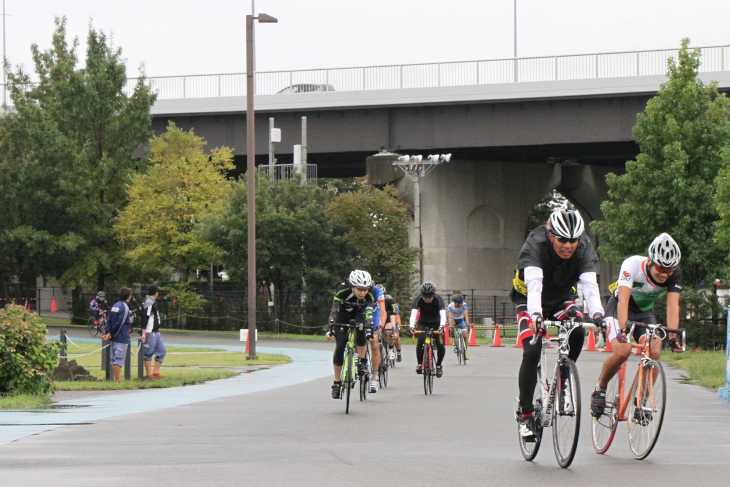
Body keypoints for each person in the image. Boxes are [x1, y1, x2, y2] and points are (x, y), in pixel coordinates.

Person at [511, 209, 605, 441]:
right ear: (550, 235)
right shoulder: (535, 242)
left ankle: (564, 378)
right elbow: (533, 284)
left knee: (578, 328)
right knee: (531, 351)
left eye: (573, 240)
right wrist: (535, 315)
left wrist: (598, 315)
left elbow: (590, 286)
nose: (568, 246)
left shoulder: (583, 246)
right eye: (562, 240)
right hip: (530, 299)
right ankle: (525, 414)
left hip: (562, 298)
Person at [591, 233, 684, 419]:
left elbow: (673, 305)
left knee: (655, 351)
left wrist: (674, 338)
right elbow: (623, 300)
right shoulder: (632, 265)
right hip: (619, 309)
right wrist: (623, 330)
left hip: (644, 313)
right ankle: (600, 388)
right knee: (622, 351)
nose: (664, 274)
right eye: (660, 267)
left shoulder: (675, 274)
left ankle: (640, 402)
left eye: (669, 270)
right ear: (650, 261)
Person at [326, 270, 378, 399]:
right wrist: (331, 328)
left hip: (360, 313)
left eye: (365, 289)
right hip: (343, 315)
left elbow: (369, 313)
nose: (363, 292)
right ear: (352, 287)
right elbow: (334, 310)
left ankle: (362, 362)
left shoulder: (370, 292)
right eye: (359, 289)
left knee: (362, 330)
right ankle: (337, 383)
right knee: (340, 346)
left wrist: (370, 329)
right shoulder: (342, 290)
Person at [409, 281, 446, 377]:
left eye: (429, 297)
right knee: (421, 340)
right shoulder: (419, 299)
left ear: (433, 295)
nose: (427, 299)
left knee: (441, 344)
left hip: (437, 323)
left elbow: (443, 314)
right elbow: (413, 313)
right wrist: (411, 326)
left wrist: (442, 326)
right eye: (425, 297)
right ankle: (420, 363)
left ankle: (438, 365)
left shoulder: (438, 299)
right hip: (423, 322)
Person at [102, 287, 133, 383]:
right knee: (118, 359)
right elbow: (120, 323)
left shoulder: (115, 306)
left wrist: (108, 332)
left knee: (114, 358)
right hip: (121, 337)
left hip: (113, 338)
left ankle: (117, 380)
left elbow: (109, 320)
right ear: (129, 297)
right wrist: (111, 333)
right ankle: (118, 381)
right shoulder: (125, 307)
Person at [142, 284, 167, 379]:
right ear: (156, 293)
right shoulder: (149, 302)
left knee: (162, 351)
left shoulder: (151, 301)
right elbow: (145, 317)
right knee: (148, 352)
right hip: (149, 331)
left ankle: (156, 372)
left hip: (156, 331)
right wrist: (144, 332)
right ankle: (149, 375)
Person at [368, 284, 388, 392]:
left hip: (374, 316)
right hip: (361, 315)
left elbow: (383, 312)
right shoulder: (357, 291)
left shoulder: (377, 292)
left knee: (375, 343)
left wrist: (381, 325)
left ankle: (374, 377)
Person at [447, 294, 470, 359]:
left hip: (461, 319)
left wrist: (467, 323)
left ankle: (465, 351)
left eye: (462, 302)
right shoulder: (450, 306)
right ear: (456, 303)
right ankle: (453, 337)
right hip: (453, 319)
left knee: (465, 335)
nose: (462, 304)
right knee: (452, 324)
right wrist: (450, 326)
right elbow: (450, 317)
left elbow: (466, 314)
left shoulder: (464, 305)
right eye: (460, 303)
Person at [383, 294, 403, 362]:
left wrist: (397, 327)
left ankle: (399, 352)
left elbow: (396, 317)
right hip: (382, 318)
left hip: (391, 318)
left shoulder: (394, 306)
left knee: (396, 334)